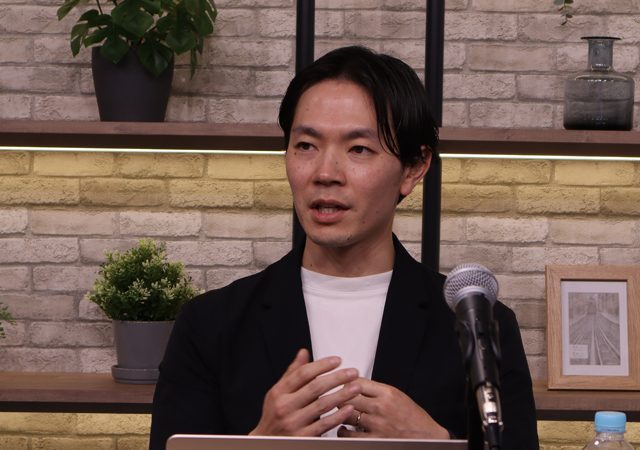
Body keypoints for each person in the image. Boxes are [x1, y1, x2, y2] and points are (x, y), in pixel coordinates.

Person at [149, 46, 539, 449]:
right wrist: (261, 441)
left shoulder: (479, 328)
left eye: (358, 150)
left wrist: (437, 442)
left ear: (413, 168)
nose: (325, 173)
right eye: (306, 145)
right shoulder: (210, 325)